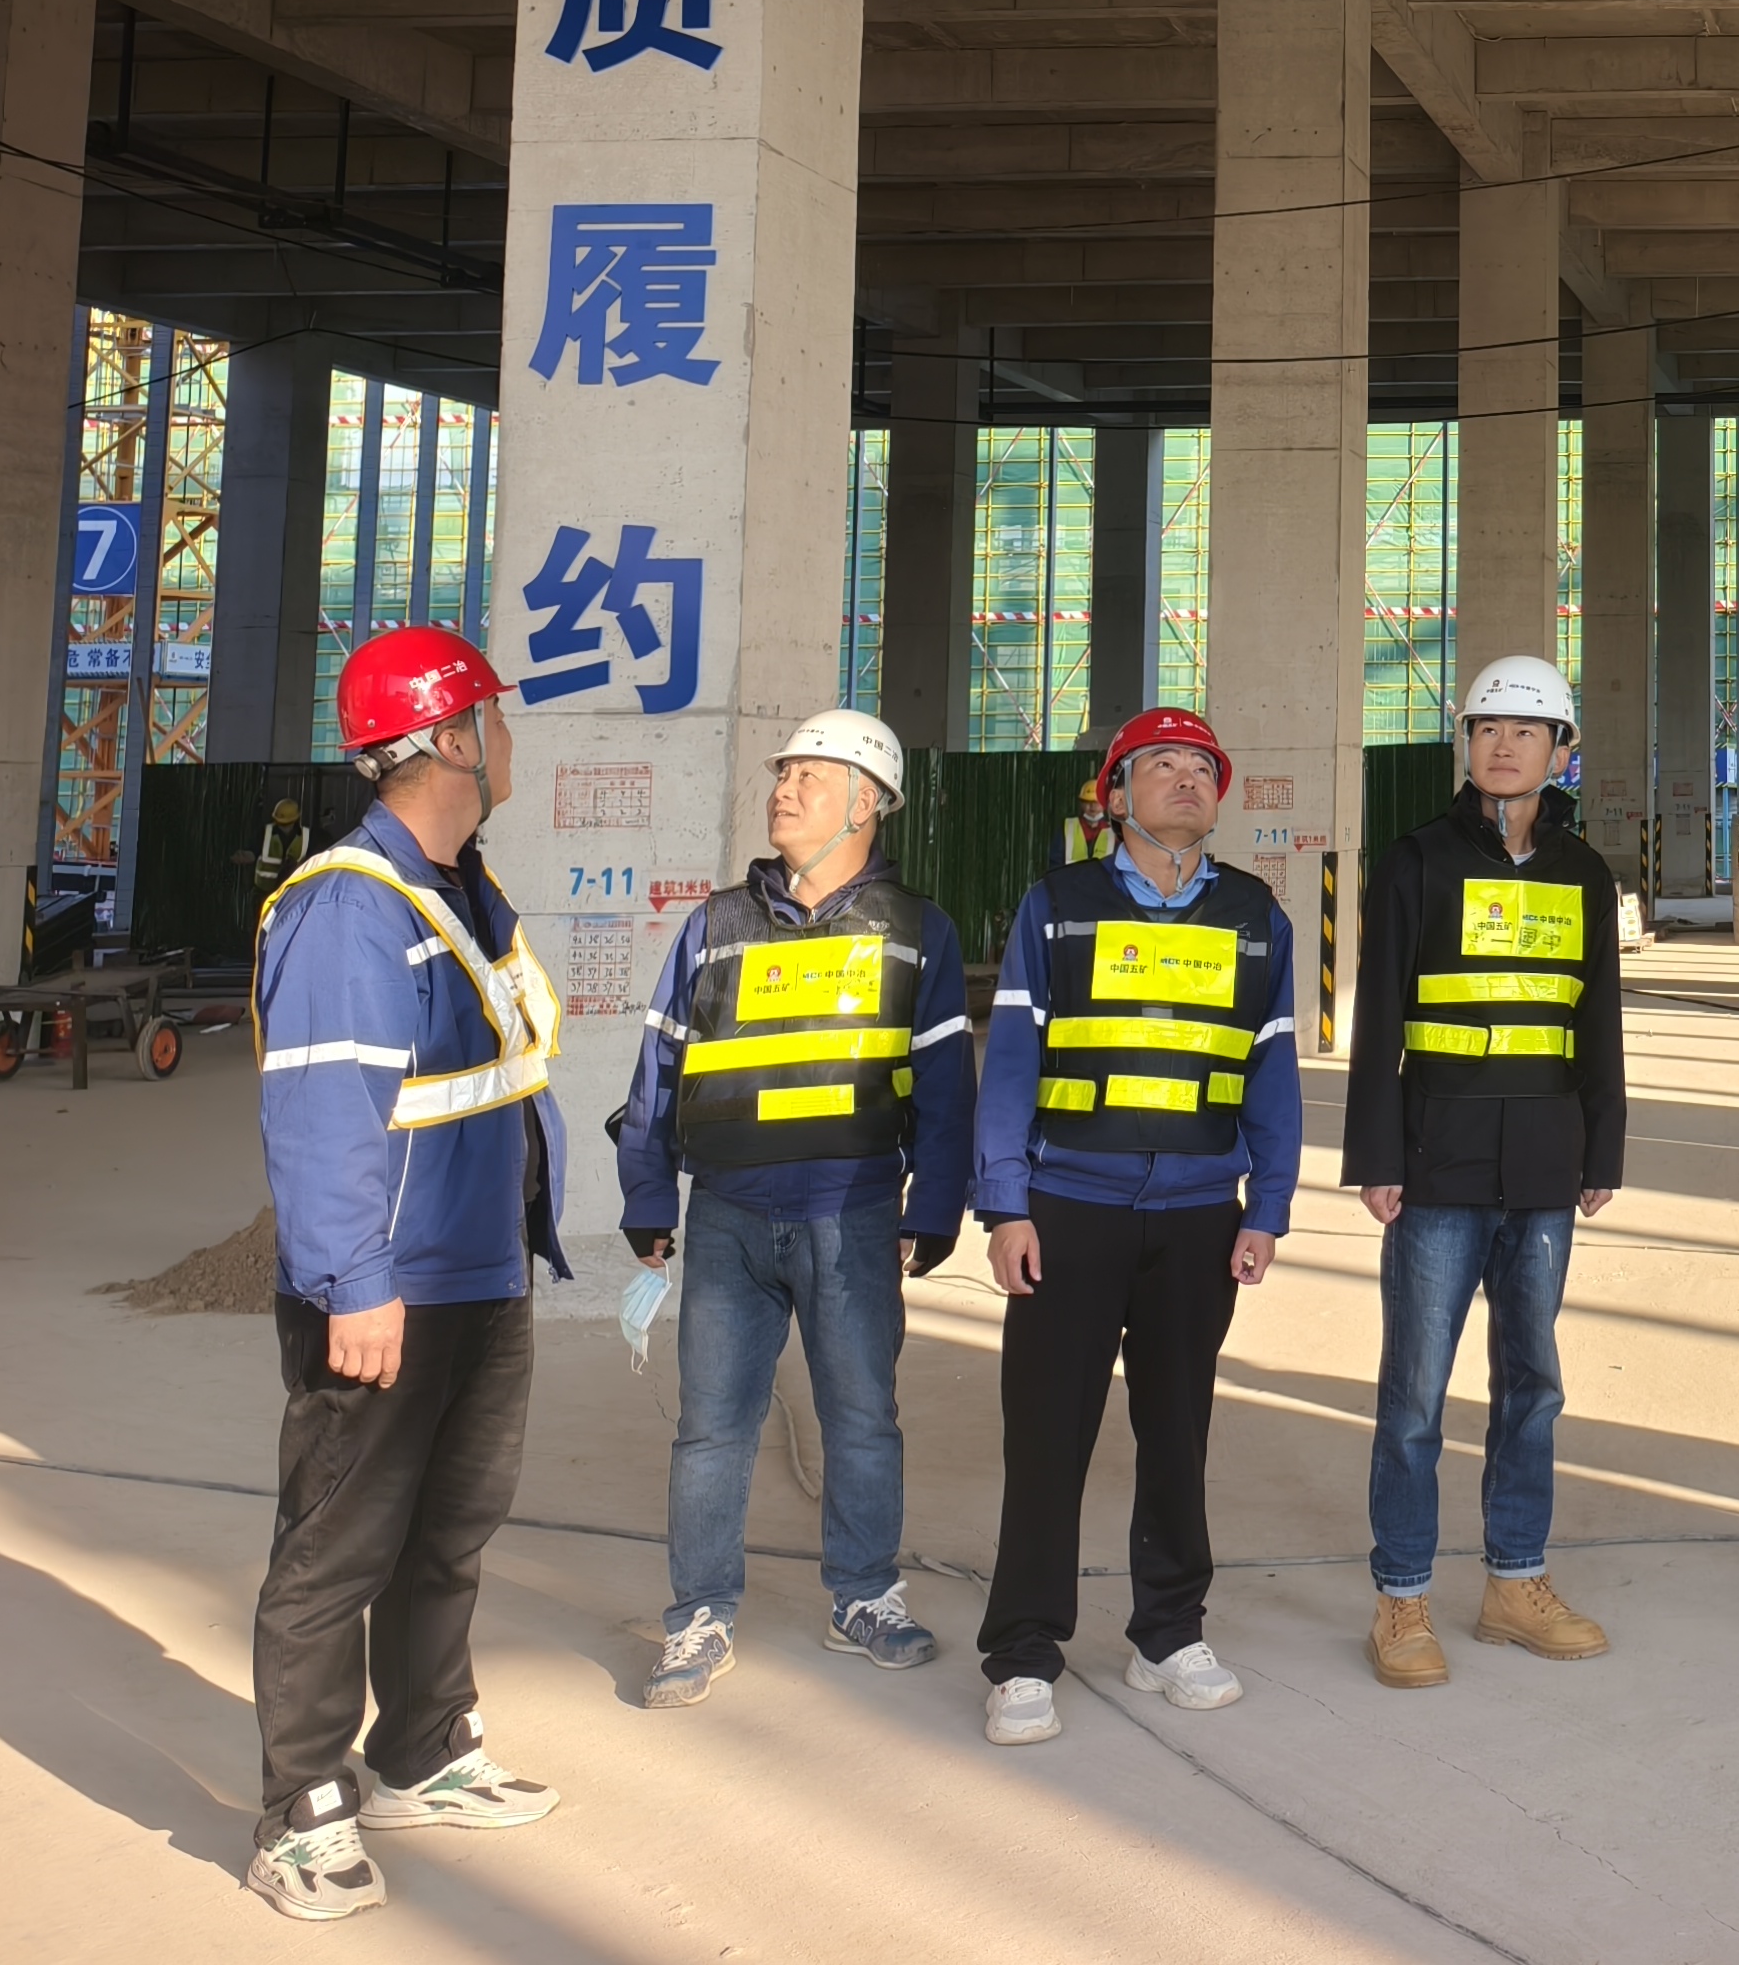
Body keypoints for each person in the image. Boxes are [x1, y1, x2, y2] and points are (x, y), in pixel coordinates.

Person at [244, 627, 570, 1923]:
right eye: (494, 715)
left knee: (448, 1531)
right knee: (337, 1549)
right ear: (450, 740)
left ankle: (423, 1747)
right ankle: (301, 1810)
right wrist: (352, 1282)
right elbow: (323, 1110)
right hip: (388, 1290)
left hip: (481, 1272)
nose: (509, 736)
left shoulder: (460, 886)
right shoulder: (349, 906)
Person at [614, 708, 974, 1708]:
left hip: (853, 1214)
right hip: (727, 1214)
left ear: (868, 803)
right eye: (783, 774)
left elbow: (947, 1092)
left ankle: (864, 1596)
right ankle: (698, 1615)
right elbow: (659, 1067)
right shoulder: (713, 926)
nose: (783, 790)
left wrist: (935, 1206)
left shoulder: (917, 933)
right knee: (710, 1428)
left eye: (810, 777)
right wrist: (648, 1191)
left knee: (861, 1419)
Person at [969, 707, 1301, 1746]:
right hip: (1071, 1211)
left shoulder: (1255, 916)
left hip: (1199, 1217)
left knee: (1177, 1434)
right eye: (1160, 763)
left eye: (1203, 765)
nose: (1186, 778)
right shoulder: (1058, 907)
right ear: (1115, 795)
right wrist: (1006, 1204)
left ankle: (1168, 1634)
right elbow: (1010, 1066)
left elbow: (1272, 1071)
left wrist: (1269, 1207)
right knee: (1047, 1438)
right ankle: (1024, 1653)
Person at [1343, 652, 1628, 1688]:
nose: (1503, 747)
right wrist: (1376, 1156)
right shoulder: (1416, 859)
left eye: (1525, 731)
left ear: (1560, 750)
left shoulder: (1584, 874)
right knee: (1416, 1396)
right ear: (1465, 743)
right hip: (1437, 1165)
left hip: (1546, 1165)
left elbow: (1597, 1019)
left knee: (1532, 1388)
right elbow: (1380, 1018)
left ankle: (1515, 1582)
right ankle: (1402, 1597)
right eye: (1487, 729)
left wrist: (1603, 1147)